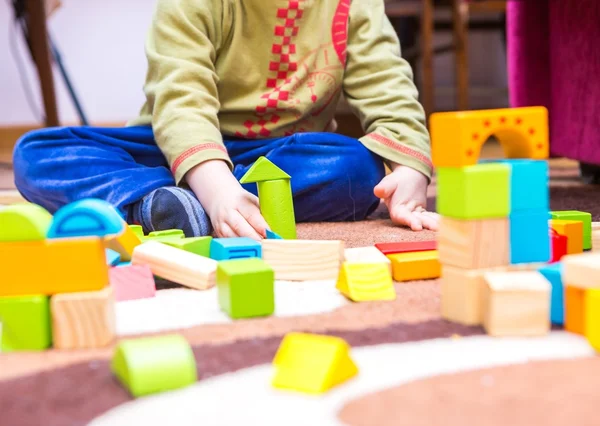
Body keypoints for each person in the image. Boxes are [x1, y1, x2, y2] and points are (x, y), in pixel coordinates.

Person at [13, 0, 440, 240]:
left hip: (277, 159)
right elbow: (182, 96)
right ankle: (162, 203)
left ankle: (183, 209)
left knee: (359, 168)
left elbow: (388, 82)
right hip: (171, 151)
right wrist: (214, 185)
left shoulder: (355, 6)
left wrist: (409, 169)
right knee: (36, 154)